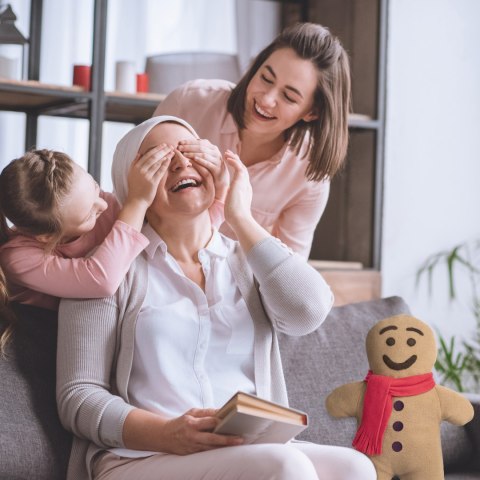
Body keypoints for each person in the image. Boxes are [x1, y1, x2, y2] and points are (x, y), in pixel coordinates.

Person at [56, 116, 375, 480]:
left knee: (355, 468)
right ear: (132, 184)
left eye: (192, 152)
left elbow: (309, 311)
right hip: (141, 457)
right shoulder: (103, 271)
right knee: (286, 465)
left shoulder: (247, 260)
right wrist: (166, 433)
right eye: (159, 159)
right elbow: (78, 396)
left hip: (246, 450)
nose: (180, 163)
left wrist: (239, 215)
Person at [153, 22, 351, 259]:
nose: (266, 99)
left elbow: (291, 270)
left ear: (312, 112)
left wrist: (241, 218)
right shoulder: (189, 103)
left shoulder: (308, 175)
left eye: (288, 96)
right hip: (154, 261)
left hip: (233, 288)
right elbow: (131, 188)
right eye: (266, 78)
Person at [0, 134, 227, 315]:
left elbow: (172, 237)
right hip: (37, 335)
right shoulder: (17, 258)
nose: (104, 205)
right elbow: (101, 280)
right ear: (46, 237)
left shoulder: (109, 206)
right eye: (89, 214)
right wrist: (136, 201)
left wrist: (221, 191)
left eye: (96, 188)